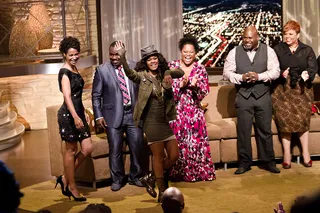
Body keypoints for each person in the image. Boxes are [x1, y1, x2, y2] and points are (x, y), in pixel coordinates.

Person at [115, 42, 184, 202]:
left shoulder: (163, 74)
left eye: (155, 58)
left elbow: (180, 72)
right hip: (151, 123)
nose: (153, 62)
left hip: (164, 122)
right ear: (145, 62)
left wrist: (167, 72)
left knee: (174, 155)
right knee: (158, 157)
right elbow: (128, 72)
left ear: (158, 59)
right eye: (149, 60)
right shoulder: (142, 77)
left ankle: (151, 178)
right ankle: (161, 191)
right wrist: (123, 56)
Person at [223, 26, 281, 174]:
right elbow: (226, 73)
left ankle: (269, 162)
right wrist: (240, 78)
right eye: (244, 37)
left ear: (257, 37)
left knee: (265, 131)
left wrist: (259, 76)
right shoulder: (234, 52)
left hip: (263, 96)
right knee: (243, 132)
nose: (247, 40)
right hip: (243, 97)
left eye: (250, 38)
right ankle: (244, 163)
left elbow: (276, 72)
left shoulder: (268, 50)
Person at [92, 41, 145, 191]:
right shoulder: (102, 70)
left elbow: (142, 89)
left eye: (117, 54)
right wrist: (98, 116)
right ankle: (117, 180)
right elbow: (96, 95)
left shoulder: (135, 66)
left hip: (132, 114)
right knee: (115, 149)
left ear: (124, 53)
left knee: (137, 146)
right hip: (112, 115)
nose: (114, 57)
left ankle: (136, 177)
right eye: (111, 54)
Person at [168, 35, 216, 182]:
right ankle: (178, 173)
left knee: (195, 144)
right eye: (185, 51)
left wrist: (196, 87)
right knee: (179, 145)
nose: (188, 55)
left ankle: (197, 173)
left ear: (195, 53)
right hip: (177, 113)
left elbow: (203, 93)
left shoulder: (200, 69)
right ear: (180, 52)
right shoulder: (172, 67)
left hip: (194, 113)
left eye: (191, 52)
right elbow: (166, 92)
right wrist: (180, 85)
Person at [272, 20, 318, 169]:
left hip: (302, 91)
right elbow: (271, 68)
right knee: (285, 123)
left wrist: (308, 74)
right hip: (282, 92)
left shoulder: (307, 50)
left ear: (298, 34)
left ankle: (306, 153)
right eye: (285, 34)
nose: (287, 37)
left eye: (291, 34)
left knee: (303, 122)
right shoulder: (278, 49)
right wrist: (280, 73)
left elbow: (313, 68)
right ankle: (287, 155)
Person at [56, 36, 93, 201]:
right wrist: (76, 116)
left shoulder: (75, 68)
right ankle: (71, 186)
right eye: (70, 55)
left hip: (79, 113)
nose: (74, 57)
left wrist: (83, 111)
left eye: (76, 54)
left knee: (87, 148)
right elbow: (68, 97)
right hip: (69, 116)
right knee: (70, 151)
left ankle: (64, 178)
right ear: (64, 54)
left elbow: (78, 95)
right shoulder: (64, 72)